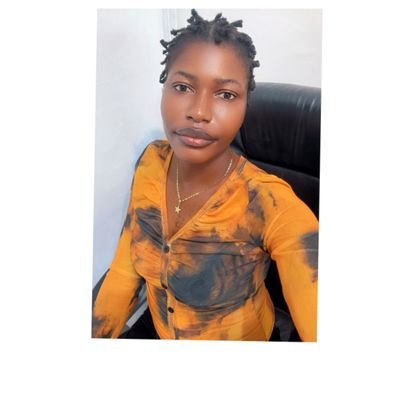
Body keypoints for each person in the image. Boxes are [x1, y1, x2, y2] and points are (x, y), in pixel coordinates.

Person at [92, 9, 318, 341]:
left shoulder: (273, 205)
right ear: (164, 89)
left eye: (226, 94)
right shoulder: (151, 163)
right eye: (182, 86)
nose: (198, 112)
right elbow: (125, 271)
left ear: (245, 106)